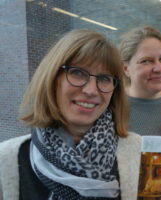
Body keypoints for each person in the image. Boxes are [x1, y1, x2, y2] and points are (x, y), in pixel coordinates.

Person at [0, 29, 141, 200]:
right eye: (78, 73)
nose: (91, 90)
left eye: (104, 78)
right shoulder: (7, 159)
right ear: (52, 78)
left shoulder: (139, 152)